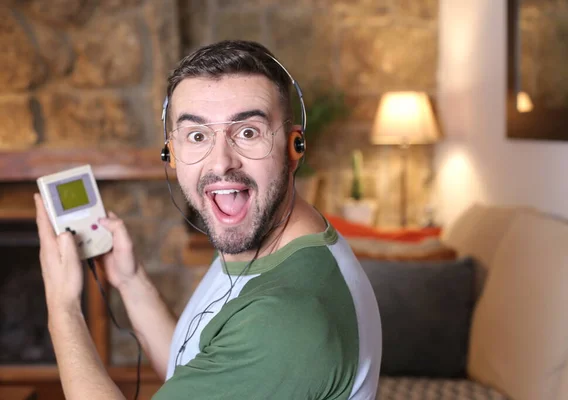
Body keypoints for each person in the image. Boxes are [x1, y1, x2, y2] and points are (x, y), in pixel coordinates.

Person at [34, 40, 382, 400]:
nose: (220, 163)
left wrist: (62, 308)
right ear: (171, 152)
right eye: (197, 136)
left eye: (248, 132)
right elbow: (208, 369)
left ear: (294, 148)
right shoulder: (257, 235)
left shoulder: (284, 320)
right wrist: (130, 279)